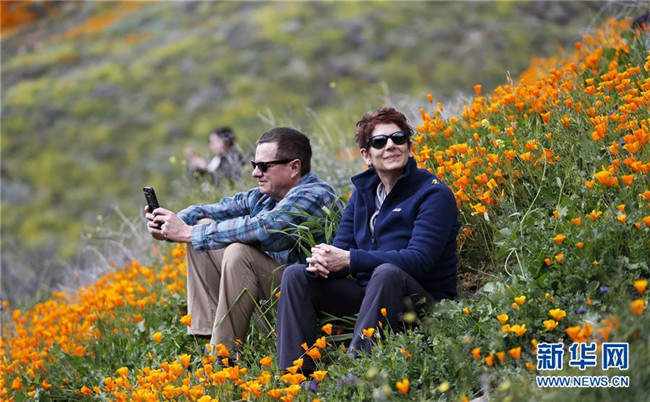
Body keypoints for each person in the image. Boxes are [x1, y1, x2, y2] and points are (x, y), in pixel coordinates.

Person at [276, 107, 460, 373]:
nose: (390, 145)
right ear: (366, 155)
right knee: (296, 275)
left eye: (398, 138)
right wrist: (323, 262)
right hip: (370, 296)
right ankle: (294, 376)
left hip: (423, 301)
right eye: (379, 141)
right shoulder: (363, 195)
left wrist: (350, 260)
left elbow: (419, 260)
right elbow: (342, 248)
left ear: (409, 147)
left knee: (387, 273)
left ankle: (357, 374)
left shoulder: (433, 194)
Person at [146, 127, 339, 354]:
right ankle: (208, 337)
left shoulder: (314, 195)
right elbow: (206, 211)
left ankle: (223, 355)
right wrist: (169, 225)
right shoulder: (265, 196)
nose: (255, 173)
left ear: (294, 167)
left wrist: (188, 232)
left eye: (264, 166)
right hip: (276, 298)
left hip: (309, 309)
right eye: (254, 165)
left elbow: (266, 228)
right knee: (201, 226)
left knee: (236, 251)